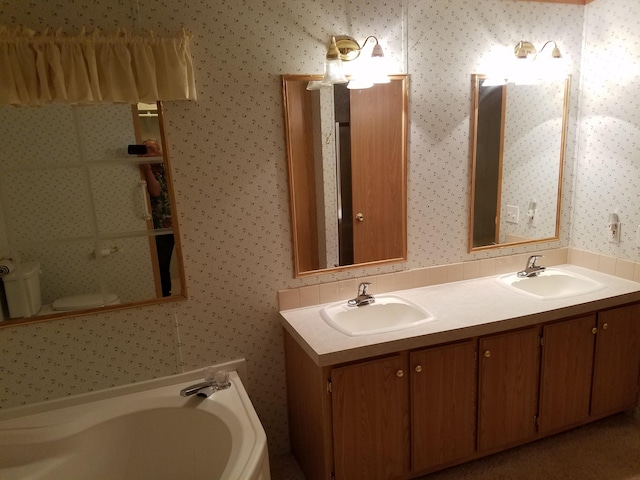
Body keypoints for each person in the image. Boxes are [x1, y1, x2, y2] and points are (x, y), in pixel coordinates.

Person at [139, 139, 174, 297]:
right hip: (160, 225)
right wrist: (147, 169)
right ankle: (165, 294)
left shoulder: (168, 164)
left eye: (152, 148)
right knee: (161, 263)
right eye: (145, 148)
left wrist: (157, 155)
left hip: (178, 223)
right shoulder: (142, 170)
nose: (148, 150)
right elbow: (155, 192)